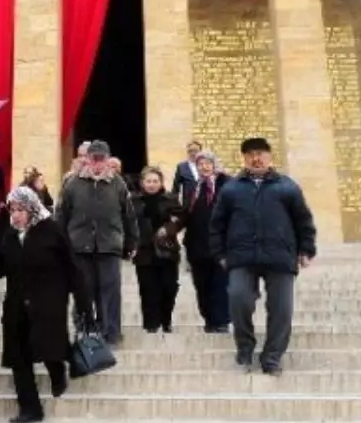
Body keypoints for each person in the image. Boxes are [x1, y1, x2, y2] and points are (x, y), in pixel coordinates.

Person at [209, 137, 317, 376]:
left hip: (279, 257)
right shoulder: (231, 189)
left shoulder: (287, 186)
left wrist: (306, 249)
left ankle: (272, 356)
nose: (256, 158)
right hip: (242, 257)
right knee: (239, 299)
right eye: (250, 154)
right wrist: (220, 254)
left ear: (269, 157)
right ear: (244, 159)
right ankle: (245, 347)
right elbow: (217, 225)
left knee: (281, 309)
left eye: (260, 154)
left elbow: (303, 220)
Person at [0, 186, 90, 423]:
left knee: (48, 346)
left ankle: (57, 371)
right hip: (16, 305)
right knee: (19, 358)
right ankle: (30, 408)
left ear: (32, 208)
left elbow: (72, 266)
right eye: (12, 210)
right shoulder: (10, 235)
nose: (15, 215)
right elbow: (0, 268)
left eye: (20, 209)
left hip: (47, 302)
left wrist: (83, 301)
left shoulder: (51, 230)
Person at [56, 140, 137, 345]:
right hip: (80, 247)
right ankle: (84, 332)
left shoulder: (118, 183)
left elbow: (129, 216)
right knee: (84, 292)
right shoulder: (72, 184)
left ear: (108, 159)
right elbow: (61, 216)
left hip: (109, 246)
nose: (98, 163)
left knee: (110, 292)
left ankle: (111, 333)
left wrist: (131, 243)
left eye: (102, 158)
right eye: (95, 158)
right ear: (88, 159)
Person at [182, 150, 231, 333]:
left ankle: (221, 321)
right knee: (202, 286)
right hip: (197, 246)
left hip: (220, 246)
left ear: (214, 164)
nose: (204, 167)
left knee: (220, 284)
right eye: (200, 164)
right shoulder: (195, 188)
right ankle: (210, 319)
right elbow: (186, 215)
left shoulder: (226, 184)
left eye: (207, 163)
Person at [131, 167, 185, 333]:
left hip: (166, 250)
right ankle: (151, 324)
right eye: (148, 181)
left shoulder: (171, 199)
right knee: (148, 289)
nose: (152, 185)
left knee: (169, 287)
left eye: (155, 181)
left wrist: (168, 229)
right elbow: (128, 222)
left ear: (161, 182)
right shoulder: (134, 201)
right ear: (142, 183)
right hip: (144, 251)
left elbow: (181, 219)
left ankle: (166, 320)